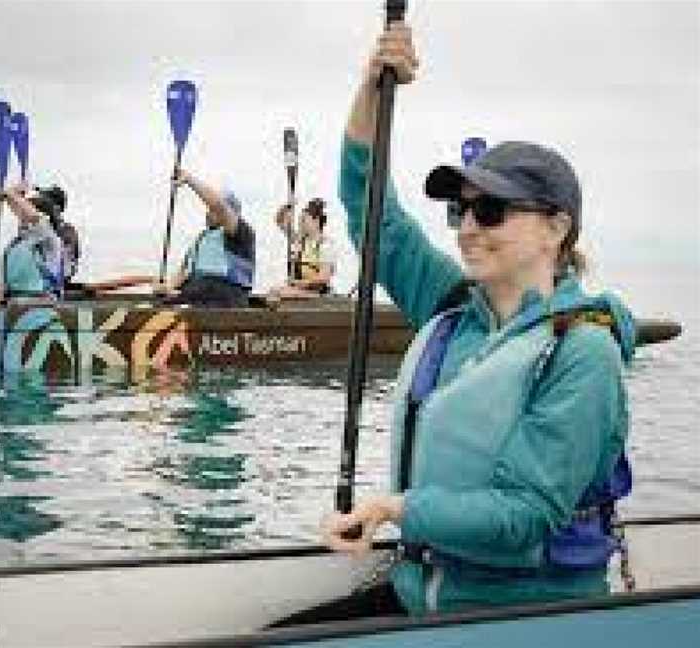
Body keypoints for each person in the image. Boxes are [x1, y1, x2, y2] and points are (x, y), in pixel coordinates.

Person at [318, 22, 636, 618]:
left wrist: (394, 510)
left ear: (556, 228)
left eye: (490, 211)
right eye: (460, 210)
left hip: (522, 614)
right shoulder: (451, 306)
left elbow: (524, 515)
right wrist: (372, 87)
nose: (468, 227)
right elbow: (369, 205)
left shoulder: (584, 353)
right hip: (423, 599)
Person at [155, 168, 255, 308]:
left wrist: (189, 180)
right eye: (209, 210)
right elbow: (183, 273)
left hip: (225, 297)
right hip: (195, 294)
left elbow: (219, 206)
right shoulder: (201, 239)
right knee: (156, 307)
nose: (209, 213)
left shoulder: (241, 232)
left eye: (213, 210)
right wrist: (167, 287)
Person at [0, 183, 63, 300]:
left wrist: (12, 194)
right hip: (15, 305)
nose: (22, 219)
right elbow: (5, 283)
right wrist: (9, 197)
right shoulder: (17, 244)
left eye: (25, 215)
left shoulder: (49, 238)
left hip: (42, 306)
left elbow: (36, 218)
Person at [269, 197, 337, 301]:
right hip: (300, 290)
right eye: (300, 220)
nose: (300, 223)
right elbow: (279, 221)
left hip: (318, 293)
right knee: (274, 291)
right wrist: (287, 207)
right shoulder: (300, 240)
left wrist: (300, 283)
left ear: (316, 221)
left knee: (278, 293)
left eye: (304, 220)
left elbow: (324, 276)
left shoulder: (325, 245)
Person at [37, 184, 81, 289]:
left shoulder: (58, 231)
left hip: (54, 284)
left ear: (55, 207)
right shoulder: (67, 229)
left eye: (44, 201)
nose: (40, 204)